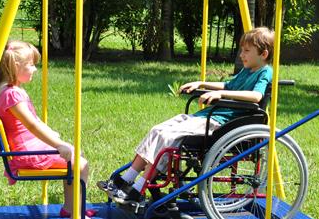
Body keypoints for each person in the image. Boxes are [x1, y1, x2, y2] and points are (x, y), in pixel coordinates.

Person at [98, 26, 274, 204]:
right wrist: (200, 83)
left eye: (246, 51)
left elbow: (256, 96)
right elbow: (228, 85)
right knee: (157, 130)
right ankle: (127, 179)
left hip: (220, 122)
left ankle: (138, 188)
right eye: (241, 50)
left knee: (167, 138)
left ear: (263, 54)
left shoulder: (265, 72)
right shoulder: (246, 70)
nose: (241, 55)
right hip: (206, 116)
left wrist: (221, 95)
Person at [0, 40, 106, 219]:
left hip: (25, 147)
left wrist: (56, 139)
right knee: (80, 164)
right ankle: (78, 218)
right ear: (15, 66)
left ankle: (70, 207)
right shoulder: (12, 95)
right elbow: (32, 125)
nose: (35, 69)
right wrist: (59, 144)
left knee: (75, 155)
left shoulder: (5, 90)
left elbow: (31, 123)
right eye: (31, 65)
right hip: (27, 154)